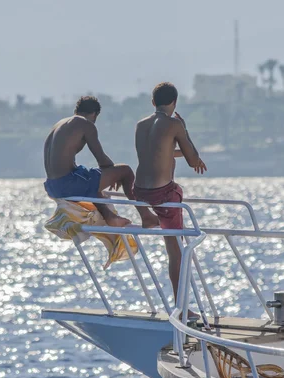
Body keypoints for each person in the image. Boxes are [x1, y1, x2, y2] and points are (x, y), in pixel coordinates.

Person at [133, 82, 207, 311]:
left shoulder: (141, 125)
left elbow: (158, 153)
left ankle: (148, 217)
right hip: (162, 194)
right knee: (176, 251)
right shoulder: (174, 124)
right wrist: (184, 130)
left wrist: (180, 152)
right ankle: (181, 306)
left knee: (172, 160)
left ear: (153, 102)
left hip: (140, 192)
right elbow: (194, 160)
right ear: (174, 103)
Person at [44, 96, 160, 228]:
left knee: (91, 179)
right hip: (68, 184)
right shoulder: (85, 124)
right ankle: (146, 216)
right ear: (94, 114)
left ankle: (111, 217)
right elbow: (102, 159)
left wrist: (108, 175)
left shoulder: (59, 124)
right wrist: (116, 175)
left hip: (51, 186)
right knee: (126, 171)